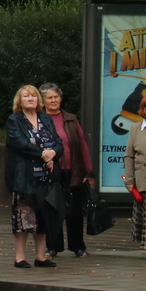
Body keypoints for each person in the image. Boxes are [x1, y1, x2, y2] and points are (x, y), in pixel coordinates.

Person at [5, 84, 64, 268]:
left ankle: (41, 256)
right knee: (23, 217)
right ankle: (20, 257)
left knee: (43, 216)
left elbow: (58, 142)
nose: (30, 99)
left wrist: (53, 153)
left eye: (34, 96)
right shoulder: (14, 120)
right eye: (26, 96)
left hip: (45, 177)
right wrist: (42, 153)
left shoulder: (45, 119)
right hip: (24, 177)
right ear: (19, 100)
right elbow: (18, 144)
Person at [40, 82, 94, 257]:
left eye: (56, 97)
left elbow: (82, 145)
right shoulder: (39, 119)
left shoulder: (70, 118)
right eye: (50, 98)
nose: (54, 100)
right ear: (43, 101)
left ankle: (78, 246)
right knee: (52, 209)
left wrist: (88, 170)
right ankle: (52, 247)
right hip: (50, 171)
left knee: (74, 211)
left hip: (73, 170)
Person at [123, 90, 146, 251]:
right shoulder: (135, 129)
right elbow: (129, 156)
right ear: (143, 109)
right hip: (142, 180)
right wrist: (130, 182)